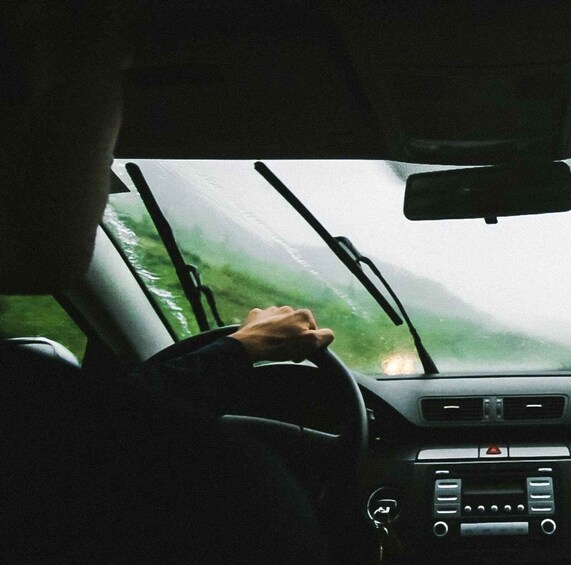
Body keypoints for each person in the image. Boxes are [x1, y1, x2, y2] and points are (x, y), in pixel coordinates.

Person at [1, 4, 336, 563]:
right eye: (116, 77)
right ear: (31, 99)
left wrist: (237, 349)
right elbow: (108, 432)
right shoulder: (211, 481)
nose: (109, 171)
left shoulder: (45, 430)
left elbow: (102, 428)